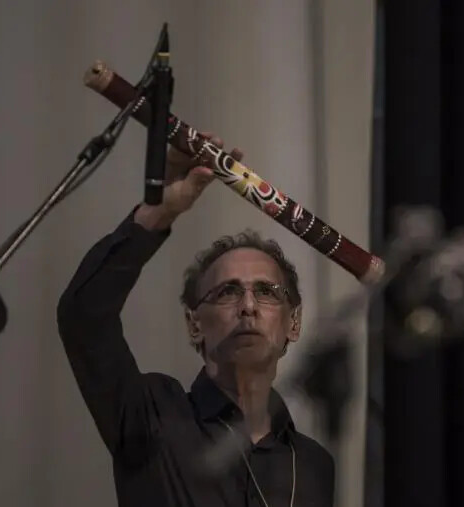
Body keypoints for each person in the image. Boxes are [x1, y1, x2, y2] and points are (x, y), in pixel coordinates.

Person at [57, 134, 334, 507]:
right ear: (194, 324)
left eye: (267, 292)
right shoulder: (153, 415)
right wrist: (158, 213)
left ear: (294, 324)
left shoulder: (315, 464)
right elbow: (84, 317)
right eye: (227, 292)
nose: (248, 306)